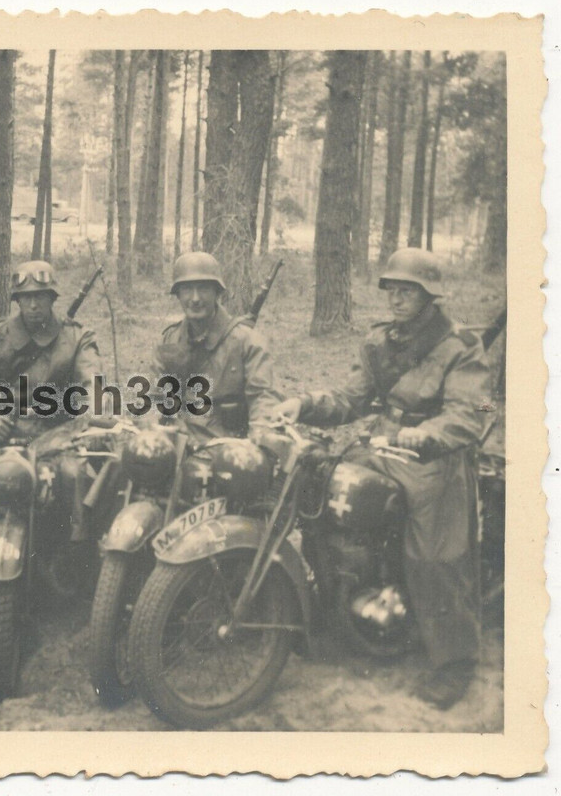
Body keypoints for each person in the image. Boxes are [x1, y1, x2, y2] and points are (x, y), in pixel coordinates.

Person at [274, 248, 489, 710]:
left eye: (408, 290)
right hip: (380, 445)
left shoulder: (460, 347)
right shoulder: (380, 342)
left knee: (433, 555)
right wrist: (304, 404)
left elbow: (468, 415)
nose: (396, 298)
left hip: (435, 459)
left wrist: (426, 434)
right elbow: (350, 398)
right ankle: (339, 612)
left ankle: (454, 662)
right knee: (320, 501)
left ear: (430, 295)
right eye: (392, 289)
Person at [0, 259, 102, 569]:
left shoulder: (77, 337)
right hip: (1, 438)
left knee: (75, 484)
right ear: (17, 300)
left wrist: (76, 410)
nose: (34, 304)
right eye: (26, 297)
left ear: (53, 298)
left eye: (41, 296)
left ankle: (76, 568)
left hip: (56, 438)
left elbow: (92, 387)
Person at [154, 251, 281, 444]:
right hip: (178, 447)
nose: (195, 298)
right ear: (178, 294)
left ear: (217, 293)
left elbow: (264, 398)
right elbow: (153, 397)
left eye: (203, 289)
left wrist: (259, 437)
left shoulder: (247, 342)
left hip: (229, 449)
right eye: (187, 289)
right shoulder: (170, 340)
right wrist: (151, 429)